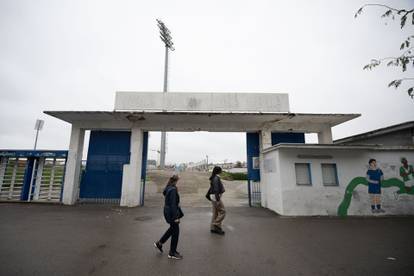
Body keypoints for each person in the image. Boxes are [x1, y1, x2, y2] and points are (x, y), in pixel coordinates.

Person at [154, 175, 184, 260]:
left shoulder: (168, 187)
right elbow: (173, 205)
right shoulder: (173, 190)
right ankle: (172, 253)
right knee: (176, 232)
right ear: (176, 181)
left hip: (167, 211)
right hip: (171, 213)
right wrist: (176, 218)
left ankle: (159, 243)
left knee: (172, 229)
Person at [205, 166, 226, 235]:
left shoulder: (214, 177)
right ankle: (216, 224)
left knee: (215, 213)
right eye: (221, 170)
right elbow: (216, 189)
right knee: (223, 211)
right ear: (219, 171)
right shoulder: (216, 178)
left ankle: (213, 229)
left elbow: (212, 188)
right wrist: (217, 200)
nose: (222, 171)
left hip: (213, 196)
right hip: (215, 197)